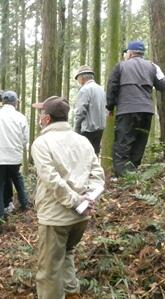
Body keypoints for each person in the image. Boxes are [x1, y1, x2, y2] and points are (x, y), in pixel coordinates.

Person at [31, 96, 105, 299]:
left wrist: (77, 201)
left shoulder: (41, 143)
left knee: (48, 271)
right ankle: (73, 293)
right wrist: (87, 199)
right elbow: (98, 176)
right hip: (81, 217)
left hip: (55, 217)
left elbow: (52, 180)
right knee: (67, 254)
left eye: (40, 113)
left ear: (46, 119)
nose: (39, 117)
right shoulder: (84, 141)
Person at [106, 40, 165, 176]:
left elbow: (112, 86)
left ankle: (123, 176)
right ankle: (133, 173)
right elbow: (164, 85)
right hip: (146, 110)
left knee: (123, 142)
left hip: (127, 110)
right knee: (140, 142)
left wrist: (109, 107)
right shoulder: (152, 66)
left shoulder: (120, 66)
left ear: (129, 53)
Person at [0, 90, 30, 224]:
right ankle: (25, 204)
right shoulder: (21, 117)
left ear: (3, 102)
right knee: (17, 179)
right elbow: (25, 139)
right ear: (15, 102)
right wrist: (16, 146)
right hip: (14, 156)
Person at [73, 65, 107, 155]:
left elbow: (80, 111)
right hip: (100, 127)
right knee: (95, 153)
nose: (78, 81)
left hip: (88, 129)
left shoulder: (84, 90)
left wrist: (76, 128)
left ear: (82, 77)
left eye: (78, 78)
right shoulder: (101, 89)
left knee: (84, 155)